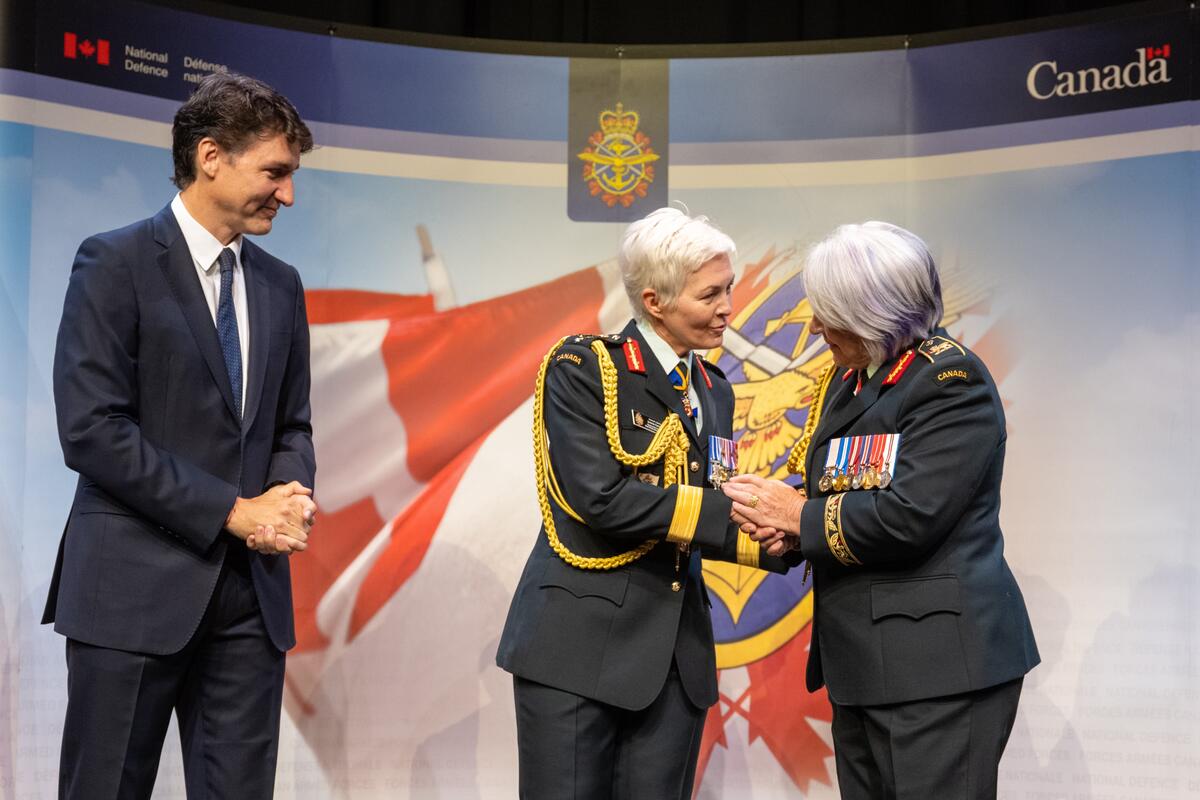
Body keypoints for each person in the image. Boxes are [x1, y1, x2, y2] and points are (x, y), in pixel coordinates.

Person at [44, 72, 317, 799]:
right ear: (210, 157)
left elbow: (291, 423)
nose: (287, 195)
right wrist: (236, 512)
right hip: (131, 592)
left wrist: (290, 495)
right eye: (275, 172)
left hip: (249, 606)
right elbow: (92, 430)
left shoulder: (281, 284)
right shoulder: (115, 263)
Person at [723, 221, 1039, 800]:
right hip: (867, 667)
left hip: (935, 672)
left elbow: (909, 516)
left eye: (828, 313)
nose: (815, 327)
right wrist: (792, 532)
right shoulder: (854, 382)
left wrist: (798, 516)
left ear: (877, 312)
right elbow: (848, 503)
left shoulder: (949, 381)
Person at [496, 207, 785, 799]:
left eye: (729, 288)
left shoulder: (717, 391)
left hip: (677, 661)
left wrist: (793, 534)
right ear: (655, 301)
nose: (729, 307)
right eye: (711, 295)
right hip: (577, 651)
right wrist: (742, 517)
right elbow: (600, 499)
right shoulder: (584, 367)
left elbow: (715, 500)